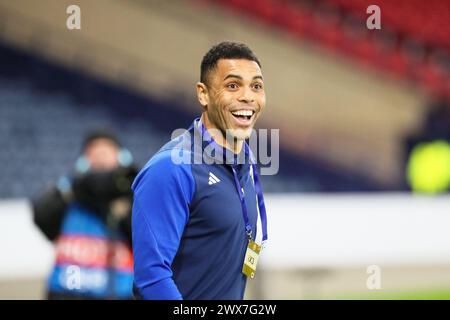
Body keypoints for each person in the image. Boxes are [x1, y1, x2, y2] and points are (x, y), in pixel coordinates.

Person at [132, 41, 269, 300]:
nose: (248, 97)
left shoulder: (245, 161)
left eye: (256, 86)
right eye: (232, 85)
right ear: (203, 94)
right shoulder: (171, 168)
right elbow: (150, 279)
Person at [33, 130, 138, 299]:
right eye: (94, 152)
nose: (101, 157)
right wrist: (71, 188)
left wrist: (123, 206)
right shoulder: (69, 190)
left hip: (118, 292)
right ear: (84, 160)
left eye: (106, 151)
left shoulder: (134, 193)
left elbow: (147, 238)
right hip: (66, 290)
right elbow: (42, 218)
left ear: (121, 157)